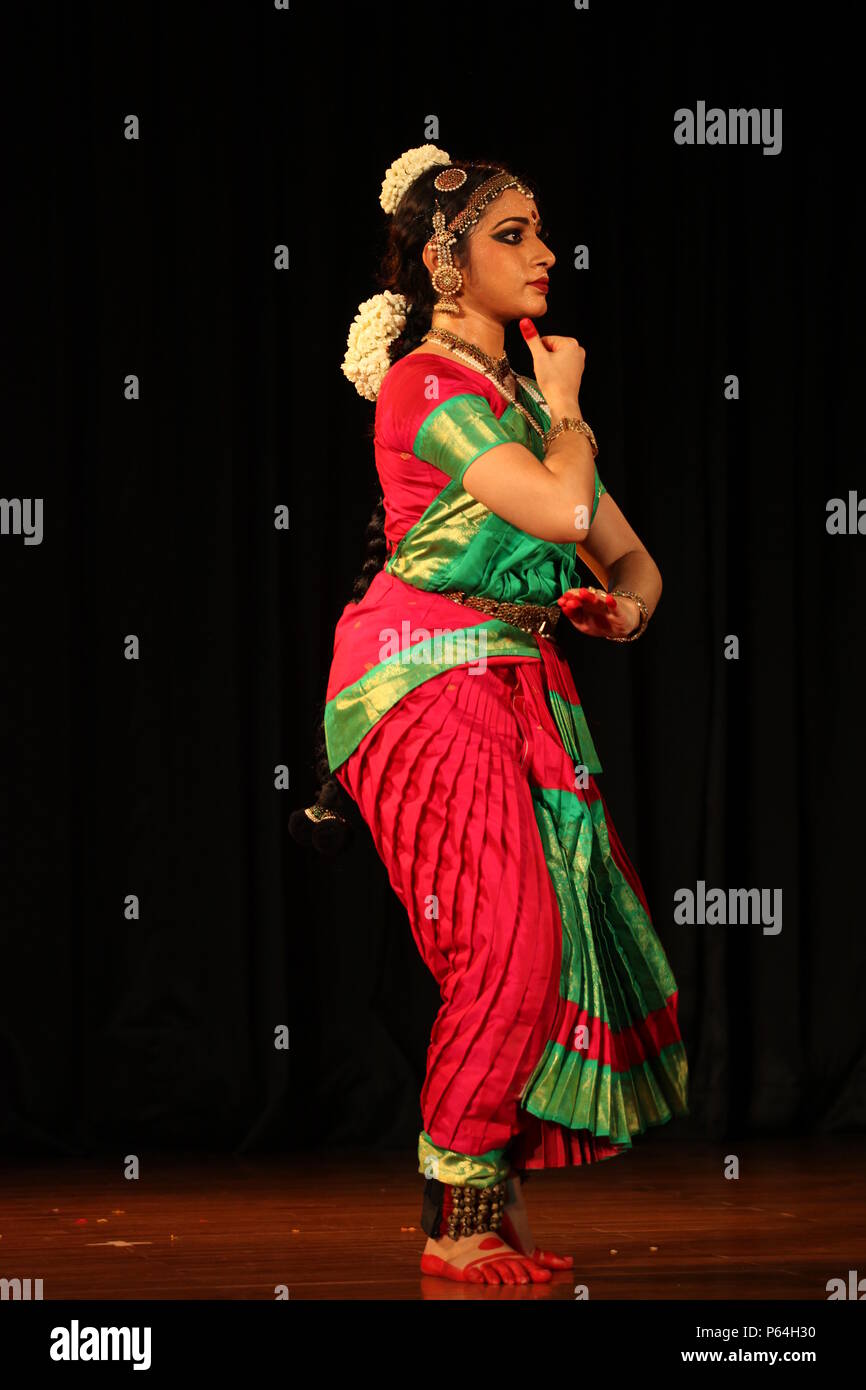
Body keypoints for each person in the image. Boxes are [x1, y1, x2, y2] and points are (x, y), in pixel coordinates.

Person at [290, 145, 689, 1286]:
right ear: (441, 263)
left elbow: (629, 561)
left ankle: (484, 1203)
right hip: (417, 678)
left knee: (543, 940)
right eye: (512, 233)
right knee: (506, 943)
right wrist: (565, 405)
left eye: (539, 231)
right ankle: (452, 1227)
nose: (544, 253)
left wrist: (618, 615)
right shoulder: (429, 386)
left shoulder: (511, 402)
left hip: (511, 682)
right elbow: (565, 502)